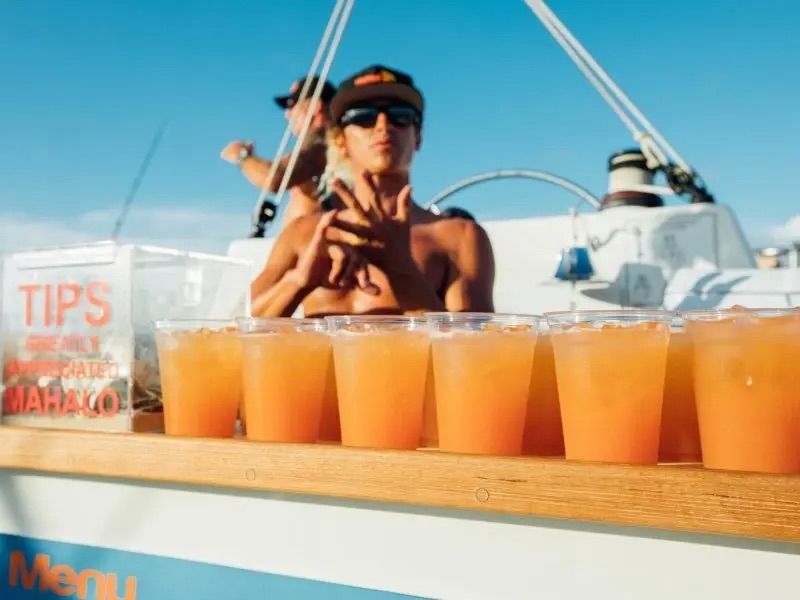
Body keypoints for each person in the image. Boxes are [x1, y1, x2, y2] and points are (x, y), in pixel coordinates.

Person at [250, 65, 494, 317]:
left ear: (417, 136)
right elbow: (234, 326)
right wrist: (300, 280)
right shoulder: (303, 234)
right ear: (339, 140)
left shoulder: (459, 237)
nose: (383, 124)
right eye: (363, 116)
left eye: (400, 115)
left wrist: (400, 267)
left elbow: (475, 348)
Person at [220, 76, 338, 225]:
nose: (287, 114)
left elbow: (274, 178)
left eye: (291, 104)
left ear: (315, 107)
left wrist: (241, 156)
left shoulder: (322, 146)